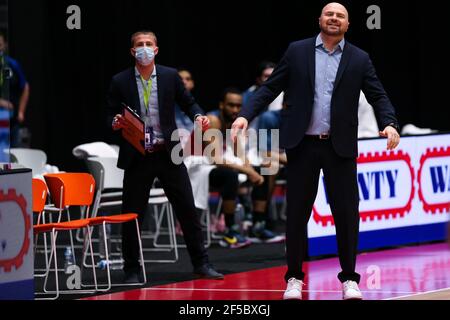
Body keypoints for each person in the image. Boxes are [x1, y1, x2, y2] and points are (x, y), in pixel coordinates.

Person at [231, 2, 400, 300]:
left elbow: (378, 94)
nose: (334, 18)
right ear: (319, 19)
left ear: (348, 25)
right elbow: (270, 88)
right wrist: (246, 114)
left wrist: (389, 123)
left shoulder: (359, 59)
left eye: (341, 16)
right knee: (297, 214)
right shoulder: (297, 51)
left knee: (346, 214)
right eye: (329, 14)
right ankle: (294, 278)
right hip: (303, 144)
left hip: (339, 147)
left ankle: (349, 279)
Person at [107, 30, 223, 282]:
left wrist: (198, 115)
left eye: (149, 44)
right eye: (140, 45)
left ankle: (201, 263)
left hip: (168, 152)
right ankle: (132, 268)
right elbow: (110, 114)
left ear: (157, 50)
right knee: (132, 214)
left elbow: (189, 103)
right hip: (138, 154)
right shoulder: (120, 80)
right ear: (132, 51)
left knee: (187, 210)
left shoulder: (170, 76)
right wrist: (115, 122)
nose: (145, 48)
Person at [207, 87, 285, 247]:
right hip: (198, 166)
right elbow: (214, 158)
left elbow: (240, 154)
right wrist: (248, 171)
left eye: (238, 106)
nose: (235, 109)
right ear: (221, 105)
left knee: (264, 169)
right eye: (231, 105)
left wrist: (251, 169)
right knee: (230, 176)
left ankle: (258, 225)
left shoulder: (234, 122)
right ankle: (230, 231)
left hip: (222, 164)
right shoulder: (213, 120)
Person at [0, 30, 30, 148]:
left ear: (5, 45)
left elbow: (25, 87)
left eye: (0, 45)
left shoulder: (12, 64)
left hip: (12, 122)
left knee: (15, 155)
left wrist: (21, 112)